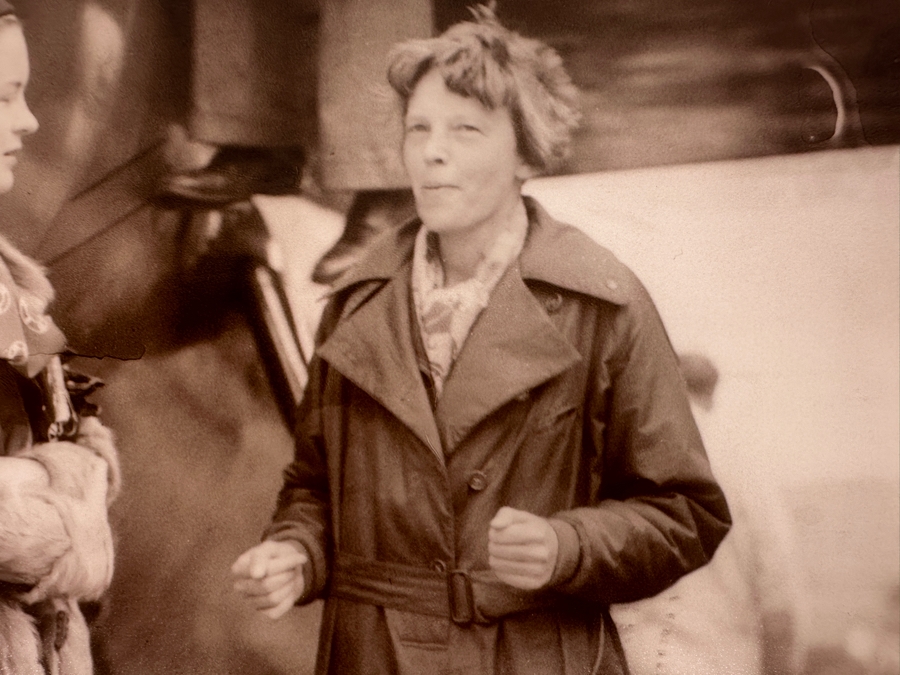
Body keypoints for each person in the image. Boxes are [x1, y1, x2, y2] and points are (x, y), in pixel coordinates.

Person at [232, 8, 730, 674]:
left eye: (466, 129)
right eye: (419, 129)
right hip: (373, 655)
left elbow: (686, 513)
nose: (433, 151)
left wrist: (567, 545)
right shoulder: (356, 303)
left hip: (535, 656)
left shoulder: (604, 304)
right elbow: (314, 486)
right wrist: (298, 554)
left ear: (526, 150)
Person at [0, 4, 120, 674]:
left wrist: (76, 474)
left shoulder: (11, 286)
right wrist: (63, 528)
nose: (29, 121)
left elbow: (73, 421)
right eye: (5, 98)